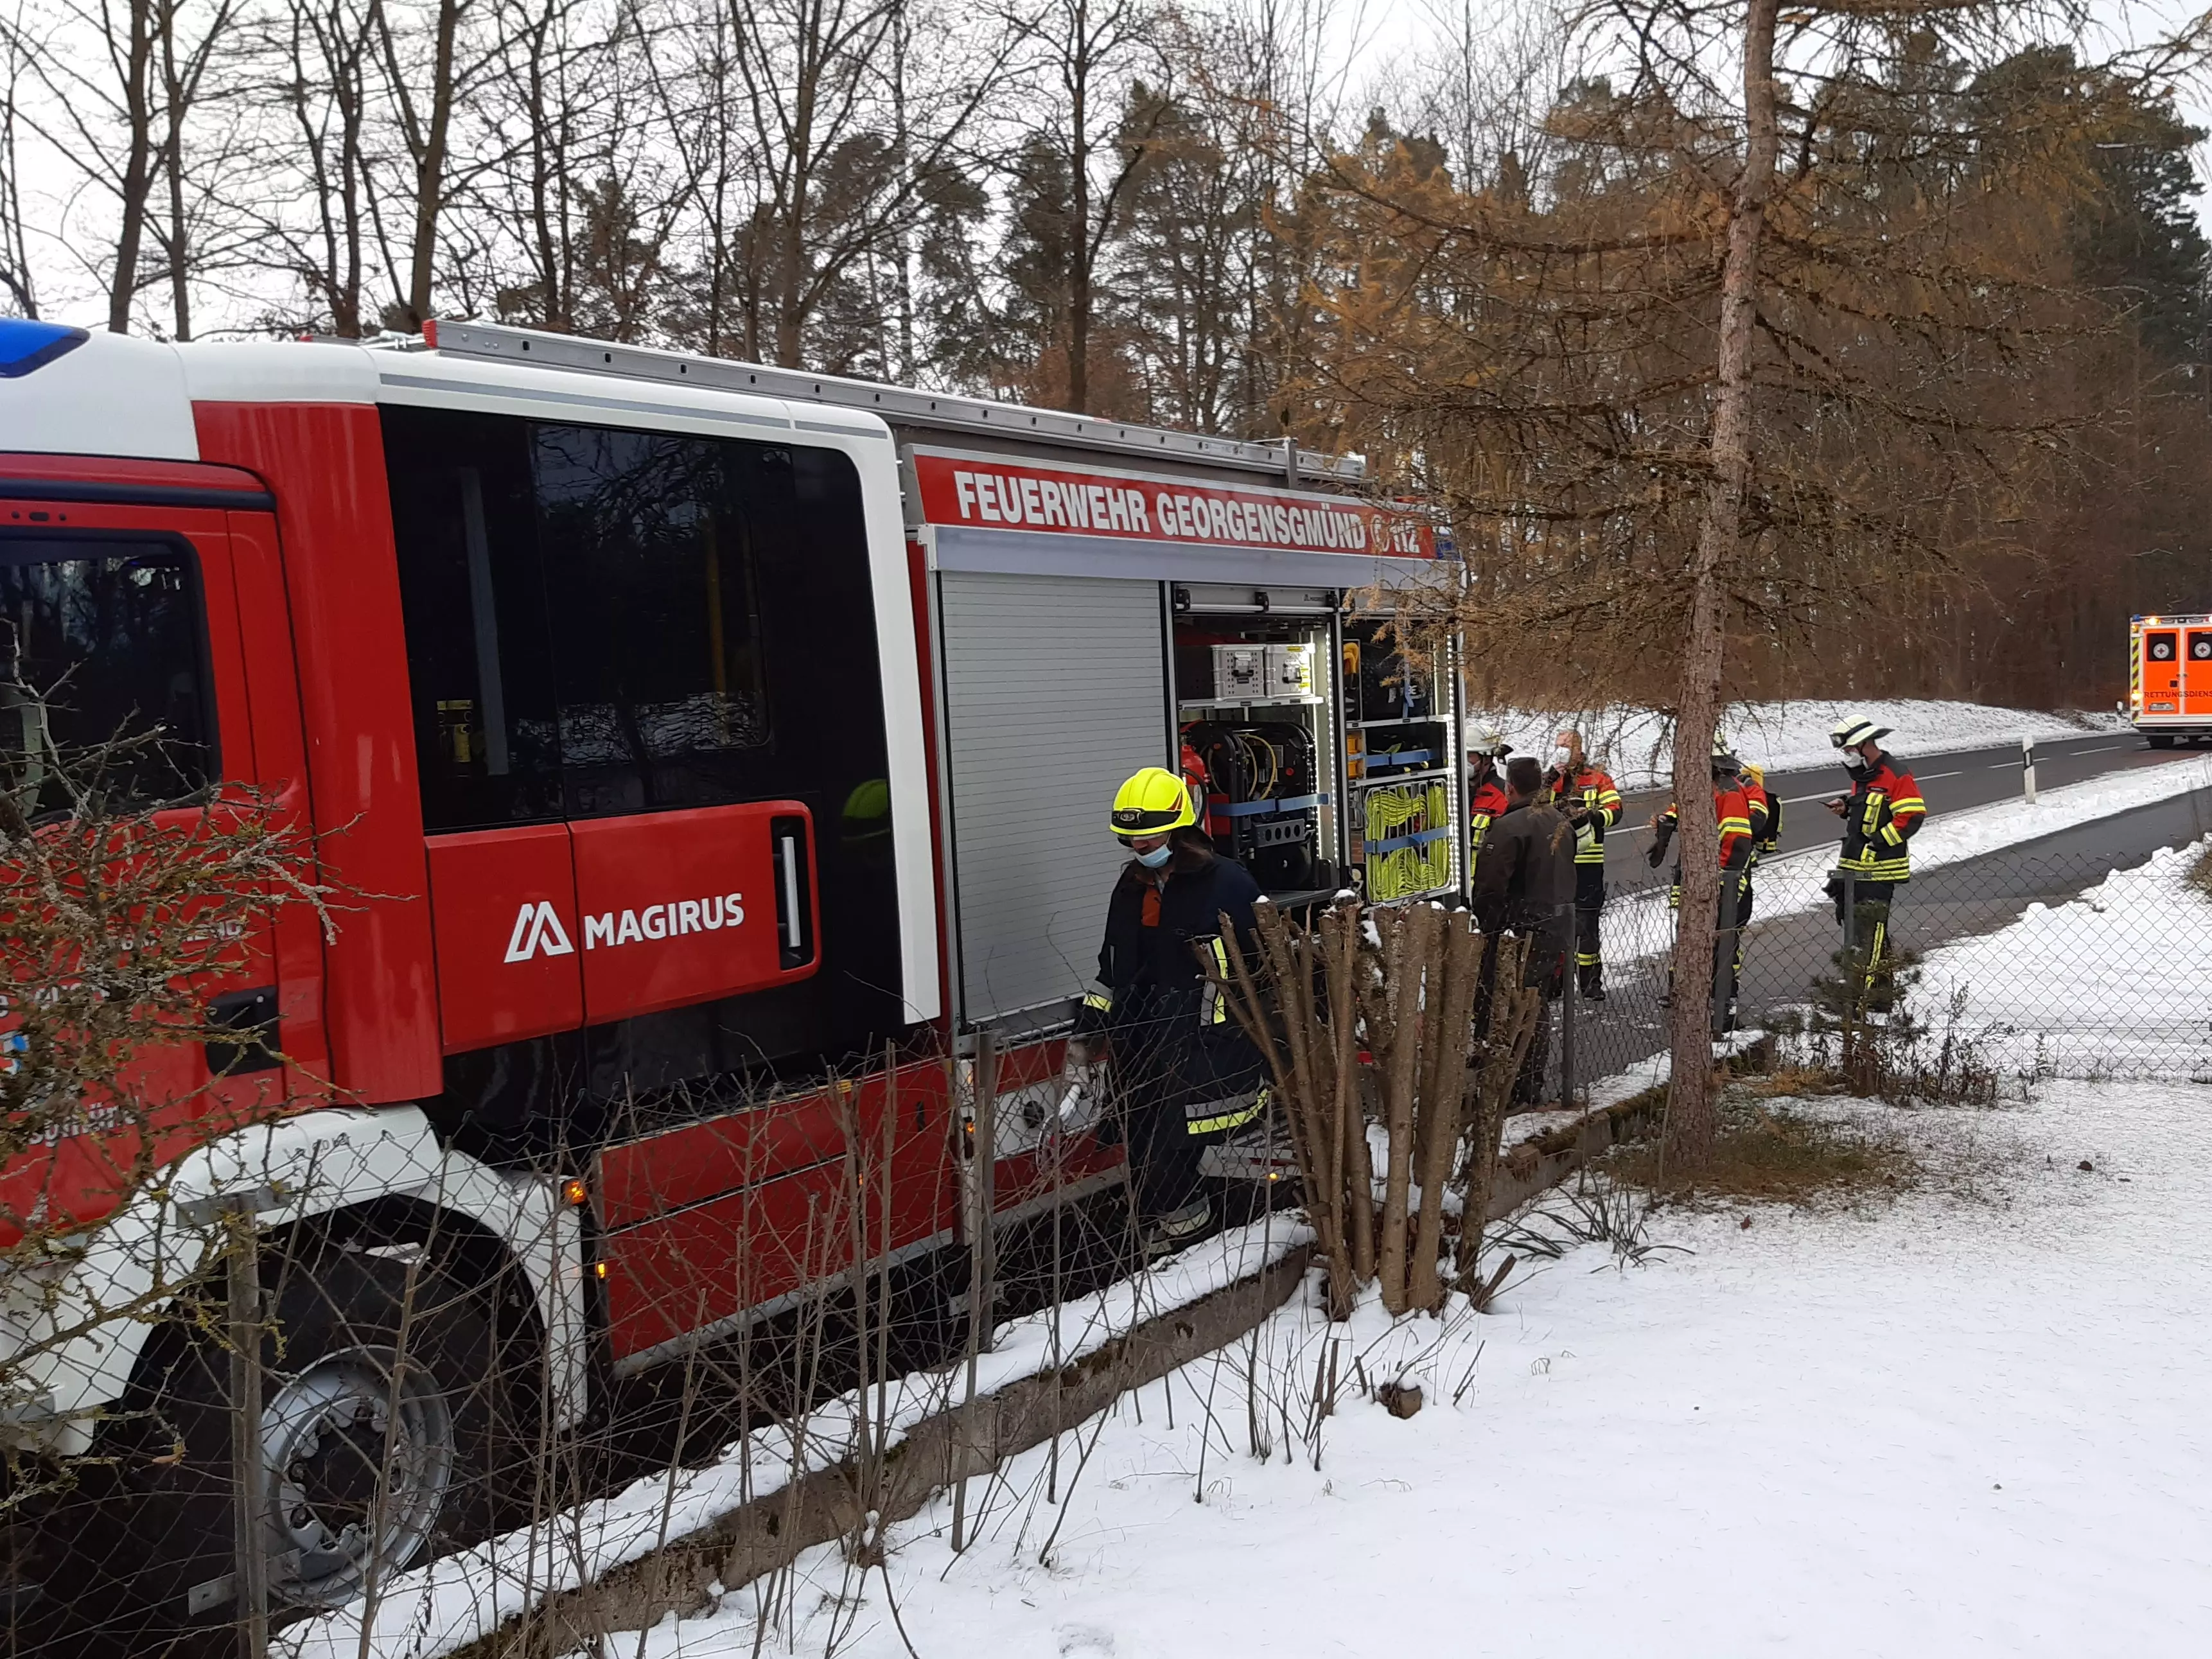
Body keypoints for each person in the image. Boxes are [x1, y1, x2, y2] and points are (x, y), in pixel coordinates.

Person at [1073, 766, 1266, 1257]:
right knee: (1143, 1151)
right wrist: (1091, 1027)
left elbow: (1264, 971)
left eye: (1150, 838)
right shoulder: (1131, 889)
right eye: (1131, 840)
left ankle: (1189, 1242)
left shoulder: (1229, 884)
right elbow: (1113, 966)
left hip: (1206, 1045)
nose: (1140, 848)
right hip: (1142, 1044)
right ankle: (1180, 1239)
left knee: (1170, 1149)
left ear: (1181, 830)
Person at [1473, 756, 1577, 1103]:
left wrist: (1488, 928)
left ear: (1511, 787)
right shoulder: (1559, 820)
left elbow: (1489, 887)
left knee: (1503, 1006)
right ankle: (1527, 1085)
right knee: (1536, 1005)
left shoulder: (1509, 827)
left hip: (1519, 930)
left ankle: (1507, 1087)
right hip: (1556, 925)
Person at [1647, 743, 1756, 1035]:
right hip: (1698, 882)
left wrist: (1717, 882)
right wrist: (1665, 826)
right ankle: (1688, 996)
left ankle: (1724, 1009)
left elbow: (1737, 841)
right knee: (1690, 936)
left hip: (1726, 886)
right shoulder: (1703, 788)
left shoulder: (1728, 792)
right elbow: (1679, 811)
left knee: (1724, 946)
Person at [1823, 715, 1926, 1012]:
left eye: (1849, 750)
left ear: (1864, 744)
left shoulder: (1895, 773)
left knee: (1869, 931)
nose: (1846, 756)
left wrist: (1877, 843)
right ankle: (1878, 997)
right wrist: (1846, 806)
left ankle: (1861, 999)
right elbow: (1869, 811)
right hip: (1856, 865)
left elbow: (1912, 816)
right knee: (1858, 930)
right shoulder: (1864, 777)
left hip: (1880, 867)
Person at [1542, 730, 1622, 1001]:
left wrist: (1589, 816)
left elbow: (1615, 811)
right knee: (1554, 924)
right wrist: (1549, 780)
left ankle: (1590, 984)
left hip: (1588, 863)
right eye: (1559, 749)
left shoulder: (1597, 778)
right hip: (1557, 863)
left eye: (1567, 748)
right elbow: (1533, 808)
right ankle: (1554, 983)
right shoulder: (1551, 780)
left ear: (1579, 750)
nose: (1563, 754)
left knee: (1587, 926)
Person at [1464, 723, 1513, 867]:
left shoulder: (1502, 795)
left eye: (1469, 756)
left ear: (1486, 759)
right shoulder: (1451, 791)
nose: (1463, 761)